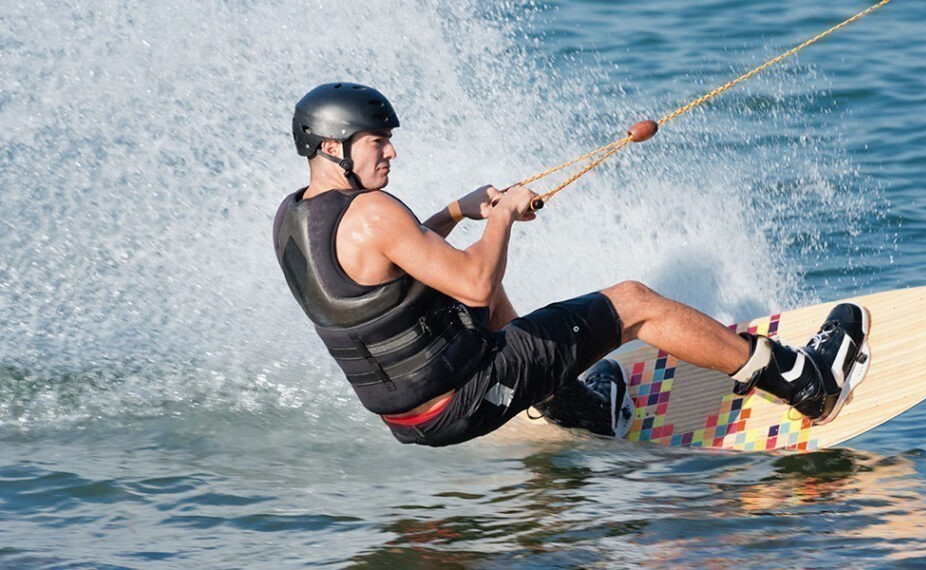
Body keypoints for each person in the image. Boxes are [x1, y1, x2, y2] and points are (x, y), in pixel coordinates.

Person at [273, 82, 870, 447]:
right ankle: (807, 383)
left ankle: (576, 409)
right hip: (463, 399)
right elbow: (478, 284)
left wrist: (459, 211)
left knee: (463, 300)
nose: (392, 150)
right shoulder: (375, 210)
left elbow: (388, 262)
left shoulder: (294, 219)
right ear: (334, 147)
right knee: (633, 301)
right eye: (378, 141)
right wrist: (503, 215)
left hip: (407, 418)